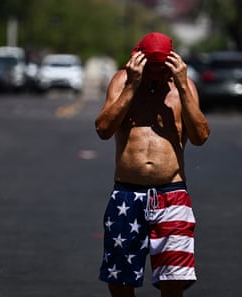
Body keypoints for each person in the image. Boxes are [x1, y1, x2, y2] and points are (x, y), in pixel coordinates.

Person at [95, 32, 210, 297]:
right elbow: (103, 129)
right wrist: (132, 86)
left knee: (173, 281)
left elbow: (201, 137)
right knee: (120, 282)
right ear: (138, 61)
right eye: (150, 69)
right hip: (127, 193)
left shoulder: (184, 87)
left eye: (161, 70)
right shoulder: (122, 81)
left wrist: (181, 85)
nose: (156, 76)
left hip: (171, 195)